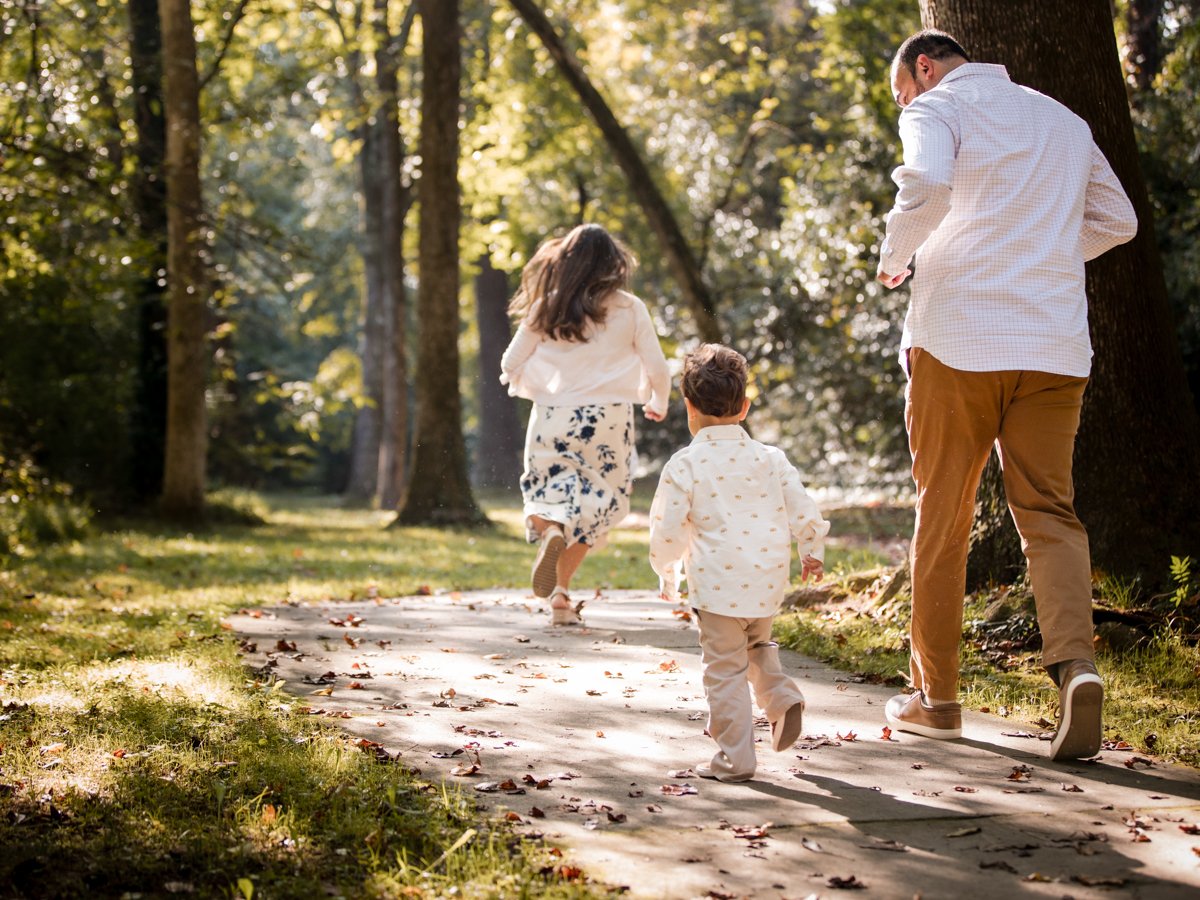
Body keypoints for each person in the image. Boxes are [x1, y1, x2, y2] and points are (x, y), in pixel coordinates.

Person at [875, 30, 1137, 760]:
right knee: (1051, 513)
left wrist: (895, 259)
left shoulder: (937, 109)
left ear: (923, 69)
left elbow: (924, 187)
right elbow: (1120, 221)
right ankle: (1077, 669)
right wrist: (1039, 247)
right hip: (1054, 347)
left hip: (957, 340)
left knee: (944, 512)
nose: (906, 102)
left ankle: (938, 698)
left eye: (903, 90)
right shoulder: (1063, 120)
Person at [648, 344, 829, 782]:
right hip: (766, 583)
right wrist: (812, 548)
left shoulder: (685, 464)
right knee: (756, 648)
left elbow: (667, 528)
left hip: (716, 589)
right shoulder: (771, 459)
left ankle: (735, 759)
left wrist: (666, 570)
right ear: (744, 407)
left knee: (724, 670)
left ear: (688, 408)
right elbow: (802, 506)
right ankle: (782, 699)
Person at [501, 223, 670, 626]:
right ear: (614, 263)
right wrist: (658, 401)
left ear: (567, 261)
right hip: (608, 421)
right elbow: (658, 368)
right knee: (596, 502)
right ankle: (560, 596)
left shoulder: (550, 305)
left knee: (548, 491)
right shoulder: (630, 308)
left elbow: (509, 363)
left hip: (553, 415)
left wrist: (538, 380)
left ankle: (549, 528)